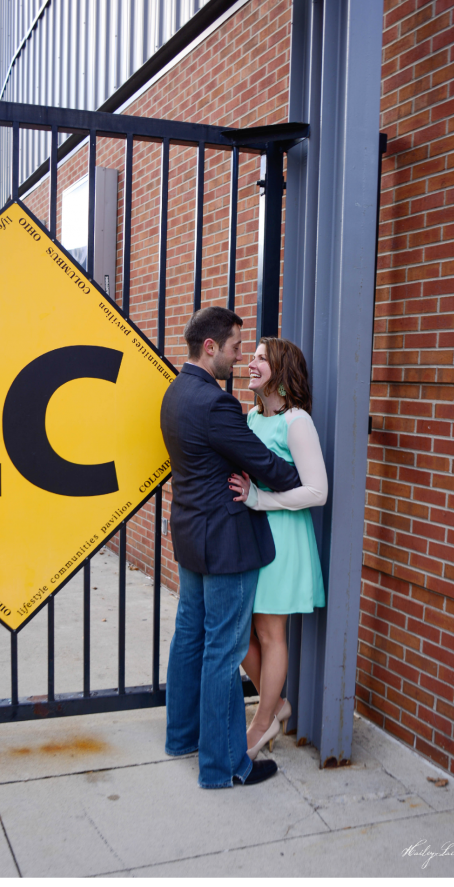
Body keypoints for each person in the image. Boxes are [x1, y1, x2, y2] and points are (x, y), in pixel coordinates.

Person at [160, 306, 303, 789]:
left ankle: (181, 737)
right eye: (237, 348)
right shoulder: (215, 403)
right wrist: (292, 476)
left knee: (190, 637)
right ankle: (224, 767)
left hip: (191, 537)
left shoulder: (175, 392)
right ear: (211, 347)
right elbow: (259, 459)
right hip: (225, 544)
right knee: (223, 652)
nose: (240, 359)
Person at [228, 336, 328, 759]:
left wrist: (261, 500)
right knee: (238, 633)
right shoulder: (252, 417)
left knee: (270, 633)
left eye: (260, 358)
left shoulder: (297, 422)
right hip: (253, 535)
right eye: (249, 356)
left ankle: (263, 721)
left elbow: (317, 492)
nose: (250, 363)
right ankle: (278, 704)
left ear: (281, 371)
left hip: (283, 537)